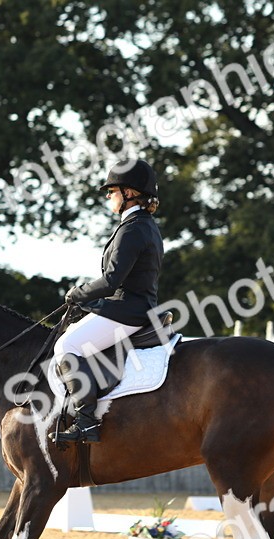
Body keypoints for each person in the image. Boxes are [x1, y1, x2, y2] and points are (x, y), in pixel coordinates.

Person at [50, 158, 164, 444]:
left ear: (129, 193)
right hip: (133, 307)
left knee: (67, 345)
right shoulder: (144, 225)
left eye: (112, 191)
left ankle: (86, 422)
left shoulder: (133, 229)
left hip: (127, 311)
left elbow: (111, 281)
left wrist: (78, 293)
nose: (108, 196)